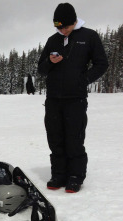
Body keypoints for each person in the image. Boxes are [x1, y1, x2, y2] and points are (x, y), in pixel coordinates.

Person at [38, 3, 108, 193]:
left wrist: (83, 79)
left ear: (74, 22)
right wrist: (49, 62)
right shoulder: (53, 40)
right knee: (55, 137)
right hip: (53, 98)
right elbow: (41, 69)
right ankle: (59, 174)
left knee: (74, 138)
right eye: (58, 27)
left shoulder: (89, 36)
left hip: (75, 98)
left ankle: (76, 176)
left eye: (65, 27)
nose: (62, 30)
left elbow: (102, 63)